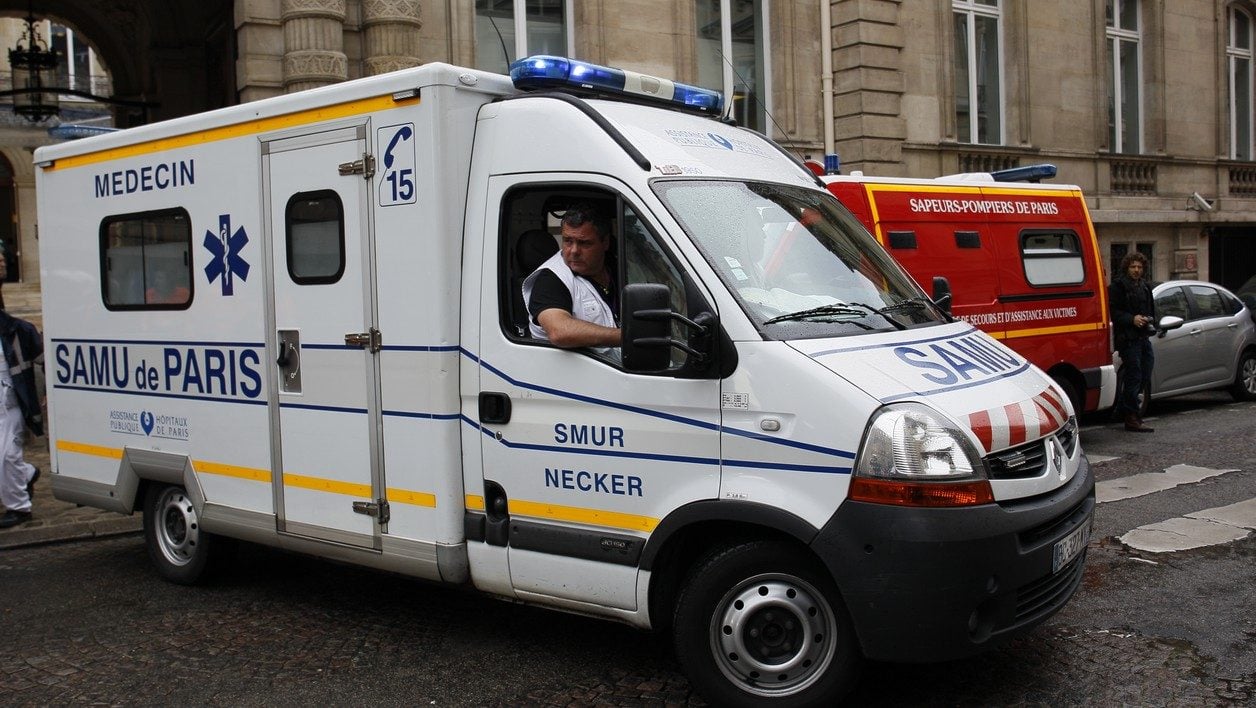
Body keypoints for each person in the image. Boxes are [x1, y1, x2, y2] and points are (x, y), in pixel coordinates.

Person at [522, 204, 621, 358]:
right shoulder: (551, 278)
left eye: (584, 243)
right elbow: (559, 331)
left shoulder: (618, 266)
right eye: (568, 241)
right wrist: (626, 337)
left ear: (605, 242)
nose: (574, 251)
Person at [0, 252, 43, 528]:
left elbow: (42, 360)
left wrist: (49, 393)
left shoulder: (18, 331)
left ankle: (19, 507)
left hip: (10, 403)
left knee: (6, 455)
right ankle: (27, 473)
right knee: (7, 459)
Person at [1108, 251, 1156, 433]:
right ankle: (1131, 417)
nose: (1136, 270)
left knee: (1145, 373)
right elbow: (1113, 311)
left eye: (1139, 267)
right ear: (1126, 268)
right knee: (1134, 375)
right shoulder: (1118, 287)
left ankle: (1122, 409)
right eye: (1133, 267)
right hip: (1128, 338)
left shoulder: (1145, 286)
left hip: (1143, 337)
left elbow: (1151, 309)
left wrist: (1149, 320)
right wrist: (1131, 319)